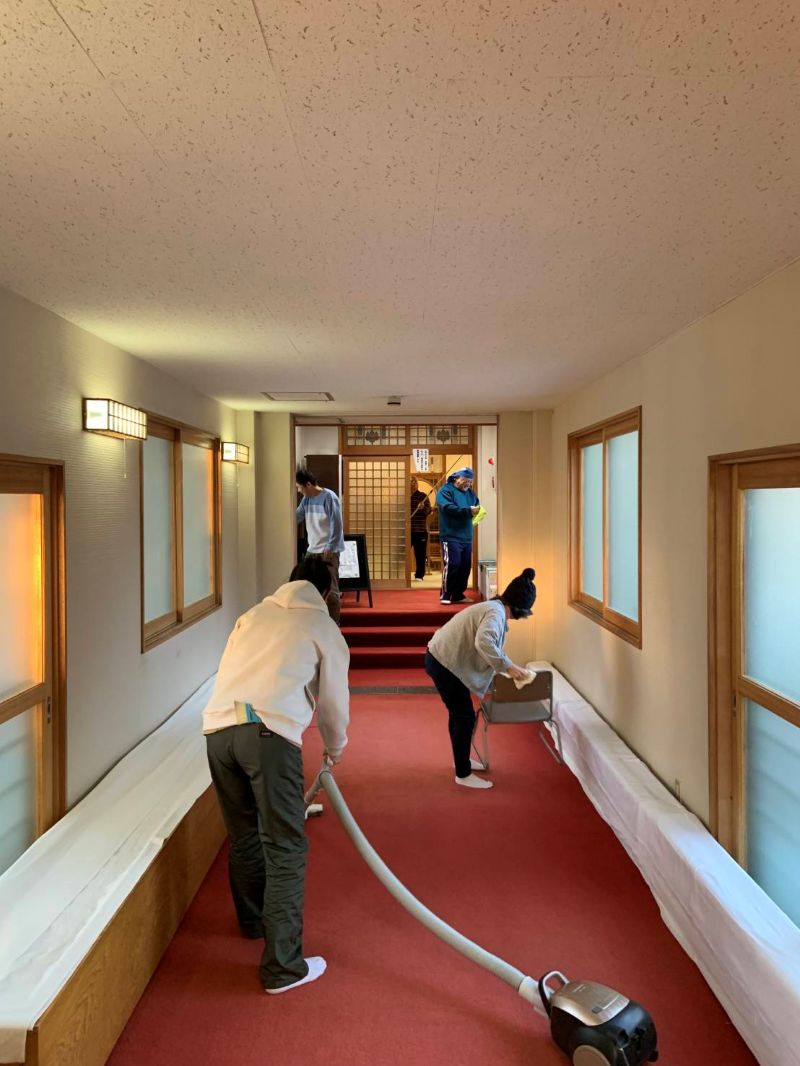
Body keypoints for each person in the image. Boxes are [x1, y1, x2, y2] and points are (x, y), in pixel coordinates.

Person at [202, 556, 350, 993]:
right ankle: (283, 968)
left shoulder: (252, 615)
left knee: (244, 835)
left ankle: (253, 922)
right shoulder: (323, 627)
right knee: (285, 845)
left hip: (217, 732)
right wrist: (335, 749)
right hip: (268, 736)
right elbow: (333, 703)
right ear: (327, 593)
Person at [424, 567, 537, 790]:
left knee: (459, 715)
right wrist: (509, 667)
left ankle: (461, 761)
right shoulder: (495, 613)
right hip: (443, 663)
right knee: (464, 717)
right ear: (519, 608)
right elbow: (484, 642)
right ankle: (462, 773)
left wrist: (506, 666)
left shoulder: (494, 608)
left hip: (441, 659)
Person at [295, 467, 345, 624]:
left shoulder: (329, 497)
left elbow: (337, 525)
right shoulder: (306, 500)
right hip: (312, 550)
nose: (298, 491)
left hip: (328, 551)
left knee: (331, 591)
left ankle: (334, 626)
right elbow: (296, 517)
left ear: (308, 484)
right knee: (308, 589)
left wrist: (330, 547)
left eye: (299, 487)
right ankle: (315, 623)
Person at [435, 466, 479, 604]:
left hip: (466, 535)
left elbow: (476, 505)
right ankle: (446, 594)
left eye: (470, 481)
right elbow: (448, 508)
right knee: (453, 564)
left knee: (465, 567)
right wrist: (468, 511)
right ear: (456, 478)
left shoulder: (470, 493)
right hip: (450, 535)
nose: (468, 484)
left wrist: (477, 512)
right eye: (466, 480)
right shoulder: (445, 490)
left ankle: (458, 594)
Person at [410, 476, 432, 580]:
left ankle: (419, 575)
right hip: (406, 530)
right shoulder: (403, 496)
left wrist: (423, 508)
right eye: (410, 481)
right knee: (401, 555)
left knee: (420, 554)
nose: (412, 483)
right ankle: (401, 575)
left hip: (420, 530)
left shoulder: (423, 496)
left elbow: (429, 511)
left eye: (414, 481)